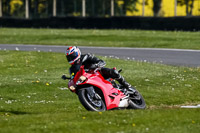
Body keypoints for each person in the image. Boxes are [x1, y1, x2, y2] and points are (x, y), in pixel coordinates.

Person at [65, 46, 131, 90]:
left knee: (113, 72)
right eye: (69, 57)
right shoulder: (72, 69)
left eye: (73, 56)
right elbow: (73, 77)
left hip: (98, 73)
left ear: (77, 53)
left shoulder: (86, 57)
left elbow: (101, 61)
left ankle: (127, 85)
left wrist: (97, 65)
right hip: (88, 79)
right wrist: (71, 80)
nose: (71, 58)